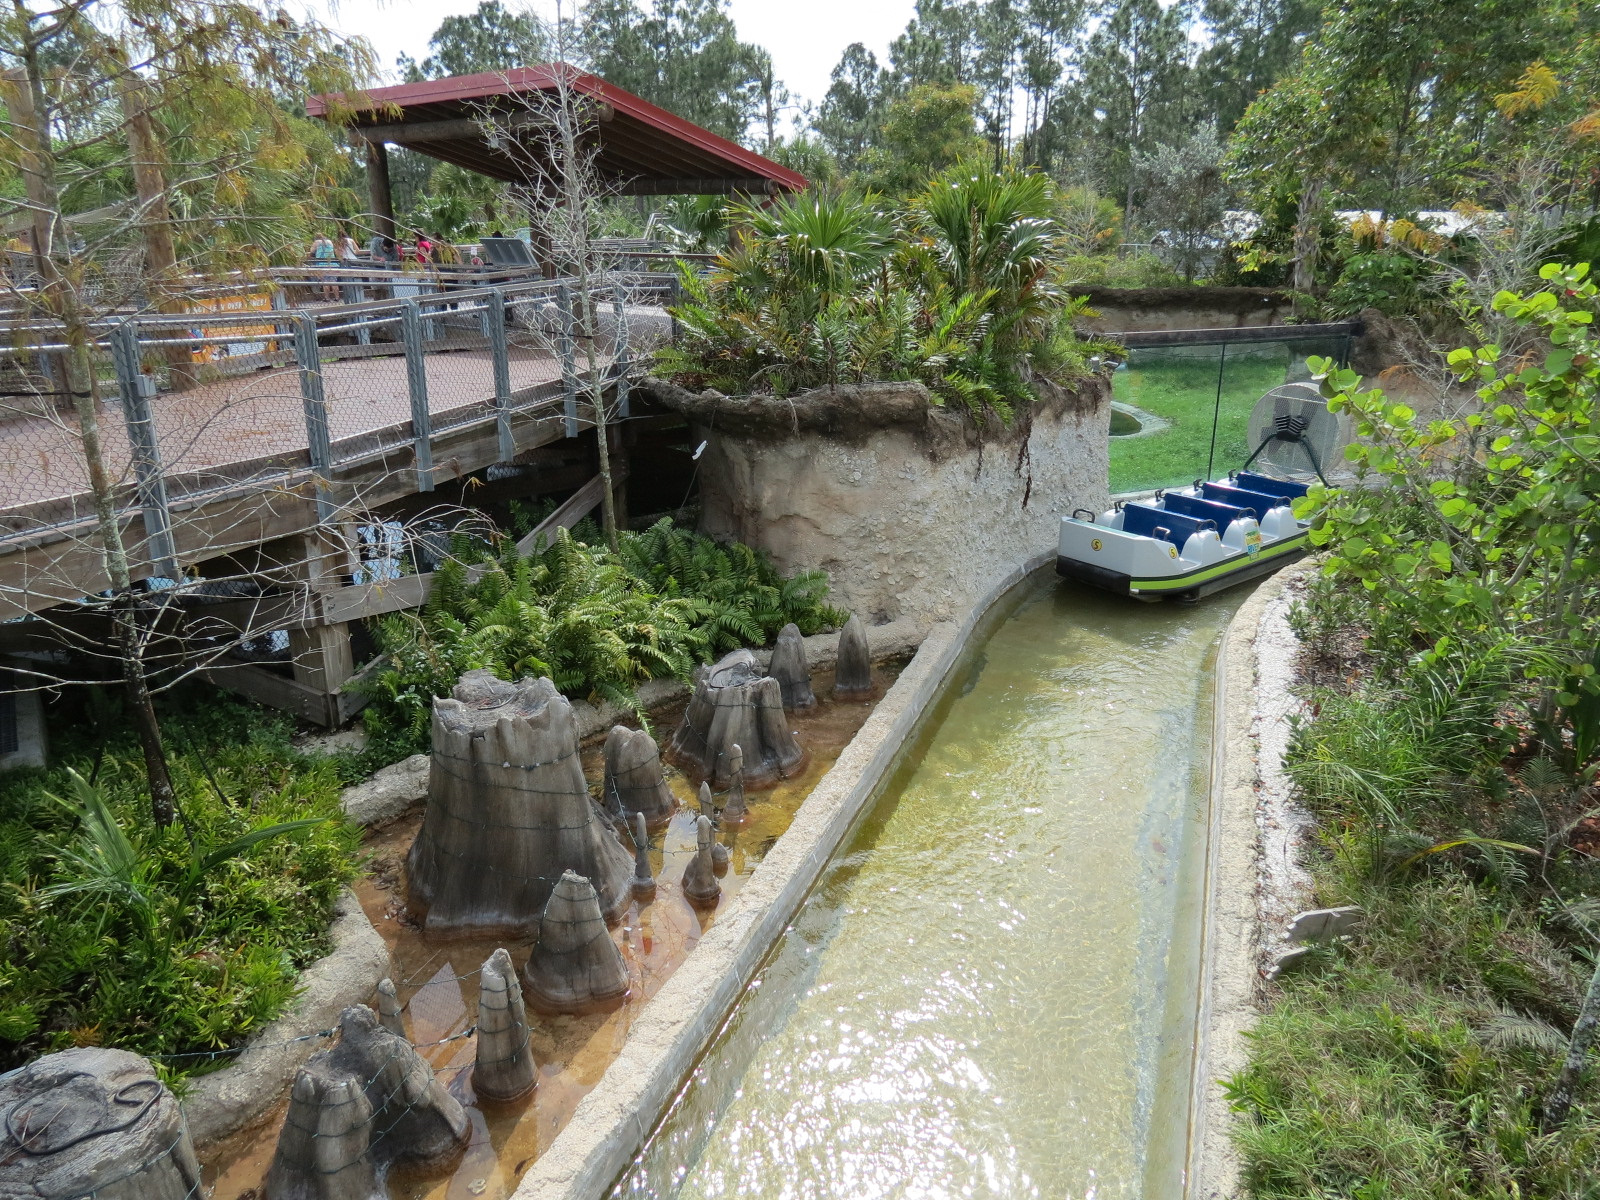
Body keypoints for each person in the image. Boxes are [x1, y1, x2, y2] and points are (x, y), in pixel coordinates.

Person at [309, 232, 337, 300]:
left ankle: (327, 298)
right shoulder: (330, 242)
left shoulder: (316, 242)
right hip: (332, 263)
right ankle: (337, 297)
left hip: (322, 264)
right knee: (334, 281)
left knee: (325, 282)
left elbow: (311, 252)